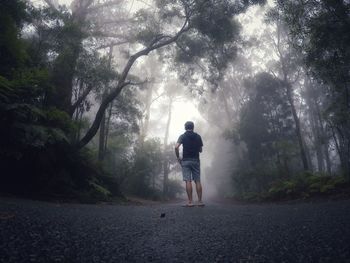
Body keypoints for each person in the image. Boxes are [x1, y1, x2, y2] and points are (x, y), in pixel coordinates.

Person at [175, 121, 204, 207]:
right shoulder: (198, 136)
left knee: (188, 181)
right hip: (195, 160)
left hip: (186, 160)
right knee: (197, 180)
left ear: (185, 127)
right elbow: (201, 150)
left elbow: (176, 147)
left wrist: (178, 157)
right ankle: (200, 201)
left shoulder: (182, 136)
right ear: (193, 127)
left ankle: (190, 202)